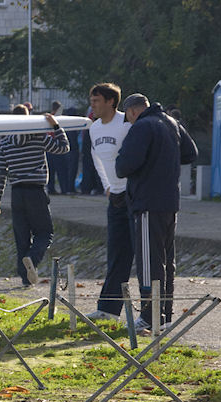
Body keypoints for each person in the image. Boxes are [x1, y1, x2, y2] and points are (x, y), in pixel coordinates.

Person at [116, 93, 197, 331]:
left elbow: (124, 165)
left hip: (147, 202)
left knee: (149, 261)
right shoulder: (171, 122)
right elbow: (191, 153)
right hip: (170, 201)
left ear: (132, 111)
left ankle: (149, 315)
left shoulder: (142, 127)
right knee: (166, 261)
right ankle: (165, 315)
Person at [0, 104, 70, 286]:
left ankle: (25, 279)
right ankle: (32, 259)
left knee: (22, 237)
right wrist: (56, 126)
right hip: (36, 191)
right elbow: (64, 148)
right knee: (45, 233)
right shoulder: (38, 137)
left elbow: (0, 173)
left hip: (17, 193)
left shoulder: (5, 142)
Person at [83, 83, 133, 322]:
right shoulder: (94, 128)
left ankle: (151, 315)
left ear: (111, 101)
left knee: (143, 255)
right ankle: (108, 309)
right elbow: (97, 158)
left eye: (96, 101)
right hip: (115, 197)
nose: (92, 105)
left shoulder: (127, 123)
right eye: (91, 101)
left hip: (134, 195)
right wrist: (107, 186)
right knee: (116, 252)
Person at [46, 101, 68, 195]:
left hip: (49, 147)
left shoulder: (48, 118)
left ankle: (51, 189)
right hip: (57, 146)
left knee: (51, 171)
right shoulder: (57, 119)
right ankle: (64, 189)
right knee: (61, 170)